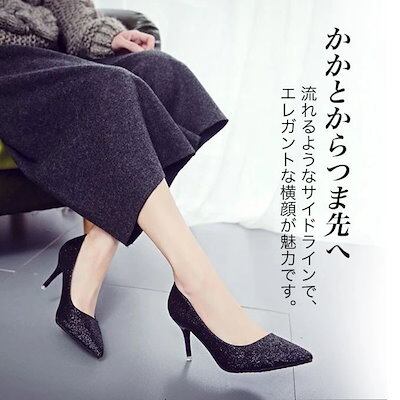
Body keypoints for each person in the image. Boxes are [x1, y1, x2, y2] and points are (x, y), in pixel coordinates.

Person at [0, 0, 312, 372]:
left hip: (56, 59)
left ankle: (92, 252)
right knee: (111, 88)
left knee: (164, 73)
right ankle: (196, 286)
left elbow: (73, 12)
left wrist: (108, 36)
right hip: (9, 70)